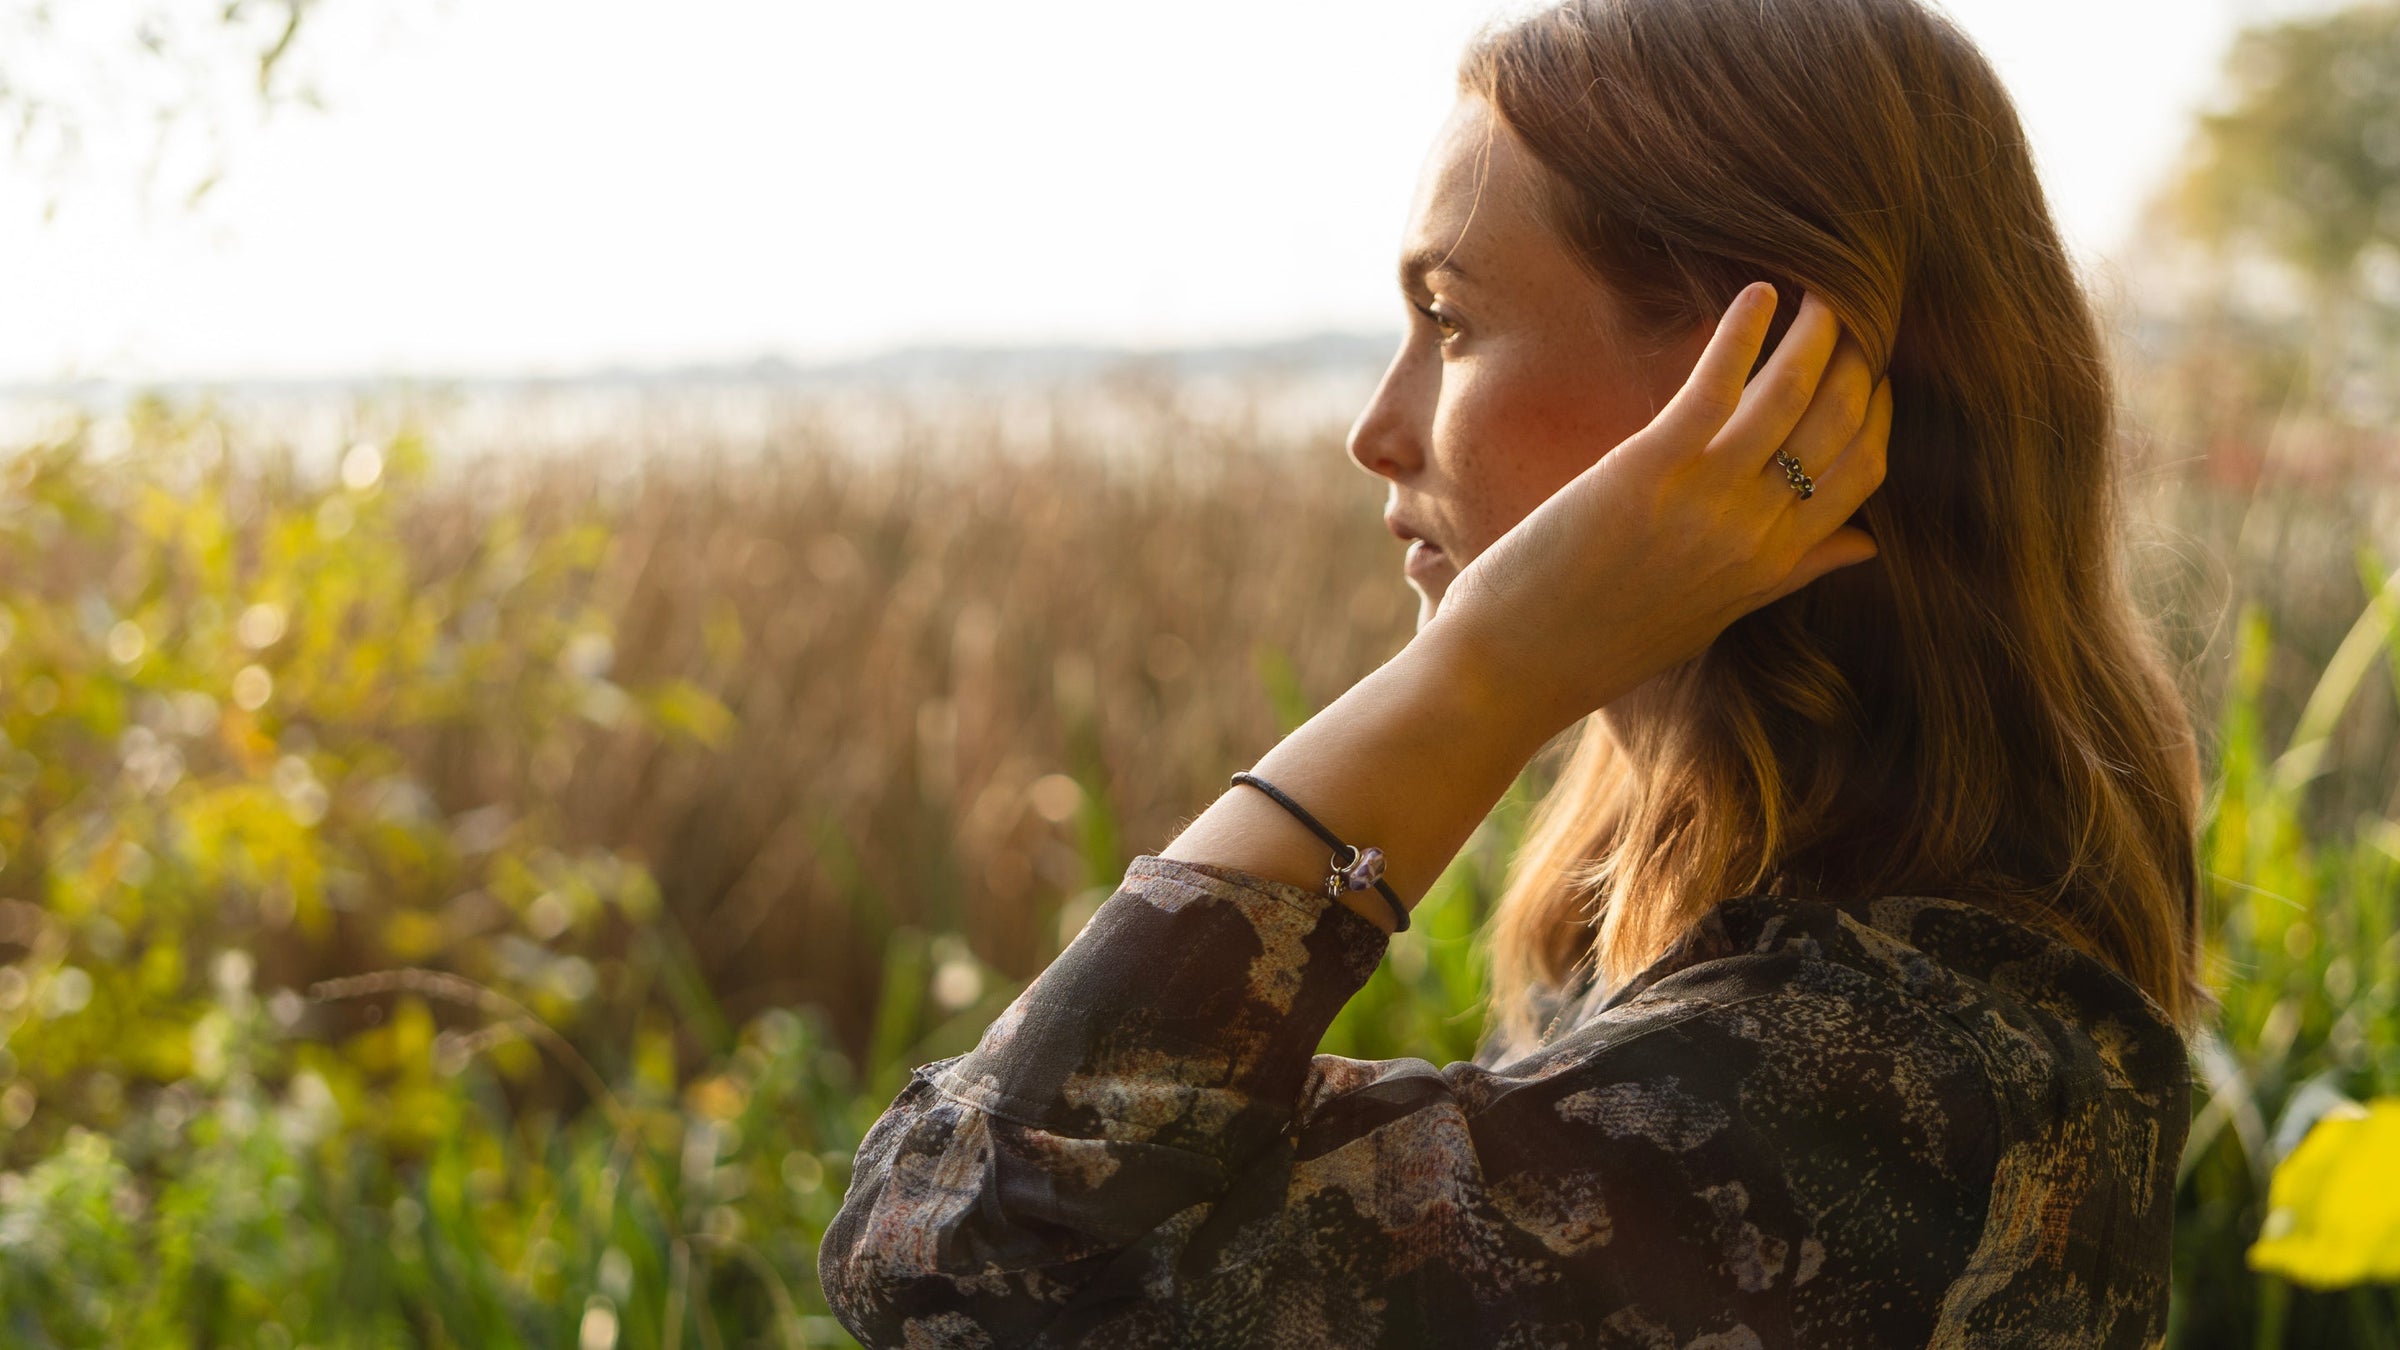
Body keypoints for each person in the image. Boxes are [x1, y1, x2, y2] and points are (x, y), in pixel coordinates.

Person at [818, 0, 2209, 1344]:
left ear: (1761, 377)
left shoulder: (1865, 1093)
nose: (1377, 425)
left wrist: (1483, 673)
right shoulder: (1788, 956)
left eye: (1452, 319)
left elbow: (957, 1256)